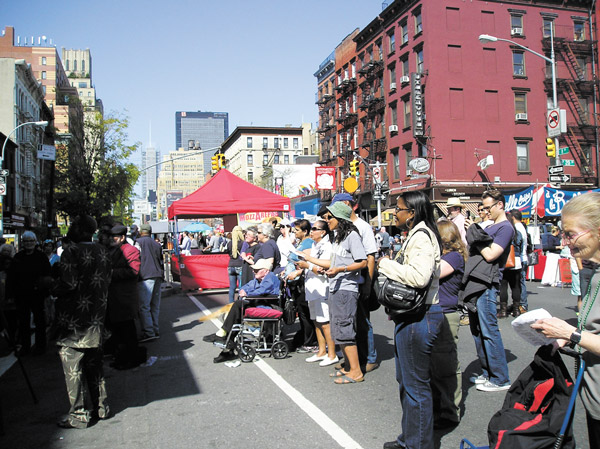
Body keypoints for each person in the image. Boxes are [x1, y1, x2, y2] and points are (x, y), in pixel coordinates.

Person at [531, 192, 600, 446]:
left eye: (570, 234)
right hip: (594, 400)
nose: (564, 242)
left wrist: (571, 334)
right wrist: (563, 333)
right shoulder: (593, 272)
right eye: (562, 233)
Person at [378, 191, 443, 449]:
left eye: (399, 209)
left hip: (421, 316)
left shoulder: (422, 236)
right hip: (412, 316)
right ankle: (410, 438)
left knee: (416, 387)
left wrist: (385, 264)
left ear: (412, 212)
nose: (396, 213)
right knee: (407, 382)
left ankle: (417, 444)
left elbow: (419, 277)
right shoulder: (417, 233)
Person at [53, 215, 112, 429]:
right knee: (95, 366)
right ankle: (101, 407)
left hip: (74, 323)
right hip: (97, 319)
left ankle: (78, 414)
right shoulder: (103, 251)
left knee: (73, 368)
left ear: (79, 229)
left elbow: (68, 284)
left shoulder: (72, 251)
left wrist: (50, 286)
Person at [304, 201, 367, 384]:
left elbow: (362, 262)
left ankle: (356, 371)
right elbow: (334, 262)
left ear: (340, 218)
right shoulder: (338, 236)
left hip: (346, 288)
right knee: (338, 328)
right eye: (325, 217)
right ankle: (348, 367)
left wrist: (340, 269)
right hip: (335, 286)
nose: (326, 220)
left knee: (345, 328)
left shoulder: (352, 236)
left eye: (329, 217)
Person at [463, 189, 514, 392]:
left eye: (488, 207)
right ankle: (488, 373)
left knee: (489, 330)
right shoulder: (491, 226)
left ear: (500, 204)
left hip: (488, 282)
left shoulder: (505, 227)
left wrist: (475, 235)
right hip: (476, 280)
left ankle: (500, 378)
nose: (485, 211)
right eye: (483, 207)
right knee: (477, 331)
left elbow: (492, 254)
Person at [329, 193, 379, 373]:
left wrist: (367, 283)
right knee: (348, 321)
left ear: (347, 204)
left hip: (359, 277)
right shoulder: (340, 229)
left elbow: (370, 256)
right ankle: (352, 360)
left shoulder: (362, 227)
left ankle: (369, 357)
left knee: (362, 320)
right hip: (345, 278)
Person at [203, 258, 280, 363]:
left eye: (257, 270)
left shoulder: (270, 278)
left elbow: (262, 290)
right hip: (258, 303)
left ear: (266, 271)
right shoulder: (257, 279)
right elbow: (244, 287)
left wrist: (248, 293)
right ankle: (227, 347)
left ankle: (223, 337)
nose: (254, 271)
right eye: (254, 270)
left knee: (238, 305)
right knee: (236, 314)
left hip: (268, 306)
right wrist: (245, 291)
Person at [431, 220, 465, 430]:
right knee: (434, 365)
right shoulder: (443, 256)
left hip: (447, 313)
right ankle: (439, 407)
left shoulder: (453, 257)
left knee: (447, 365)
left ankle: (450, 411)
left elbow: (433, 273)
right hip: (435, 311)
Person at [295, 219, 338, 366]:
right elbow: (313, 264)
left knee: (325, 321)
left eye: (314, 229)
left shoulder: (328, 245)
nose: (311, 231)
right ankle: (321, 351)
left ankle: (332, 354)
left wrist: (308, 262)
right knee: (316, 320)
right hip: (312, 285)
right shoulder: (315, 244)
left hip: (322, 286)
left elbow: (328, 263)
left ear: (323, 232)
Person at [106, 224, 144, 370]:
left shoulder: (130, 250)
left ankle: (132, 358)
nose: (111, 239)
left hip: (125, 298)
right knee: (119, 332)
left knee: (128, 332)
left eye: (113, 237)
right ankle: (122, 357)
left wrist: (111, 273)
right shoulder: (114, 250)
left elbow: (133, 271)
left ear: (122, 237)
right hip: (115, 298)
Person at [8, 231, 51, 356]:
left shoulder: (41, 256)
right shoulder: (18, 257)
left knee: (39, 321)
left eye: (31, 241)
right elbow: (12, 277)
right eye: (26, 241)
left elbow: (47, 274)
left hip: (37, 293)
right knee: (23, 322)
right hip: (21, 294)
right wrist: (10, 294)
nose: (29, 244)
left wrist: (45, 289)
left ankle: (40, 347)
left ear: (35, 242)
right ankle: (25, 346)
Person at [286, 219, 317, 353]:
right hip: (298, 282)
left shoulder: (309, 243)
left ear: (305, 231)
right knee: (303, 312)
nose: (294, 232)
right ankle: (306, 339)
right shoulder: (301, 243)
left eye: (297, 230)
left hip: (304, 282)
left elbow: (308, 264)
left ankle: (310, 341)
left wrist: (297, 271)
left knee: (307, 313)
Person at [136, 223, 164, 343]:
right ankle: (155, 329)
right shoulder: (156, 244)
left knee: (144, 306)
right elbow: (160, 260)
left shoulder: (138, 242)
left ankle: (149, 331)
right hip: (157, 274)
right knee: (154, 305)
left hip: (145, 275)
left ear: (141, 231)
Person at [498, 212, 524, 318]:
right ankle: (516, 309)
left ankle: (503, 310)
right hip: (516, 261)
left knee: (503, 287)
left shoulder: (504, 231)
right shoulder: (518, 233)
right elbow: (521, 247)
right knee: (516, 286)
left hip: (505, 261)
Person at [510, 209, 529, 313]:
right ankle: (520, 304)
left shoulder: (517, 228)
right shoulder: (522, 226)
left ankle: (523, 304)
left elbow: (518, 244)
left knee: (520, 283)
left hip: (521, 258)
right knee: (520, 283)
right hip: (523, 257)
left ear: (512, 217)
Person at [227, 226, 244, 303]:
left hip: (231, 265)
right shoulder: (243, 243)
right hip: (240, 265)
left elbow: (228, 253)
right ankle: (240, 303)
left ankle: (230, 303)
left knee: (232, 287)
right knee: (241, 286)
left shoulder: (229, 243)